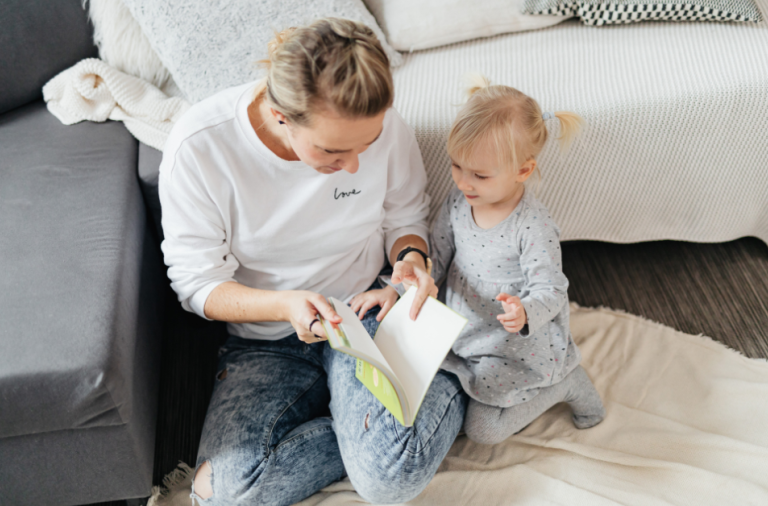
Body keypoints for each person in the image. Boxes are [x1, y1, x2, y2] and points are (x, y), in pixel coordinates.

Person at [158, 17, 467, 506]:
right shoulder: (200, 148)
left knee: (391, 480)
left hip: (364, 313)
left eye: (367, 145)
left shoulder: (380, 125)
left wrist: (410, 256)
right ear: (281, 114)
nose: (354, 166)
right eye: (333, 150)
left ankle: (451, 379)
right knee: (225, 494)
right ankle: (367, 431)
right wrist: (285, 305)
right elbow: (197, 285)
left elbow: (405, 216)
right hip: (265, 341)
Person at [430, 74, 606, 445]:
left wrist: (524, 312)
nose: (463, 182)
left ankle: (564, 385)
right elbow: (438, 253)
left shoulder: (531, 225)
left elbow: (551, 288)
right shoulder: (460, 201)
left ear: (522, 171)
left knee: (483, 431)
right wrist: (418, 277)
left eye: (479, 175)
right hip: (467, 332)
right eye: (456, 166)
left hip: (513, 345)